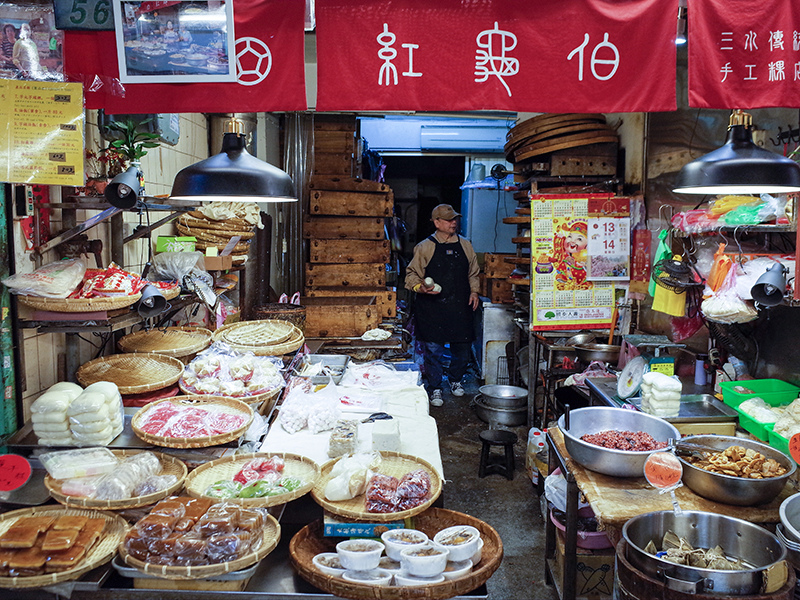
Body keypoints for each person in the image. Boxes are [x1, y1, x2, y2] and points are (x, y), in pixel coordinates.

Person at [405, 204, 480, 407]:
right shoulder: (424, 247)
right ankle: (435, 387)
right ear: (437, 222)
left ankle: (455, 380)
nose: (453, 222)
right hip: (432, 308)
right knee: (433, 350)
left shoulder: (466, 245)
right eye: (448, 219)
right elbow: (411, 275)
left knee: (463, 348)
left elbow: (473, 272)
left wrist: (474, 291)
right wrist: (420, 287)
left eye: (455, 219)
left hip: (460, 305)